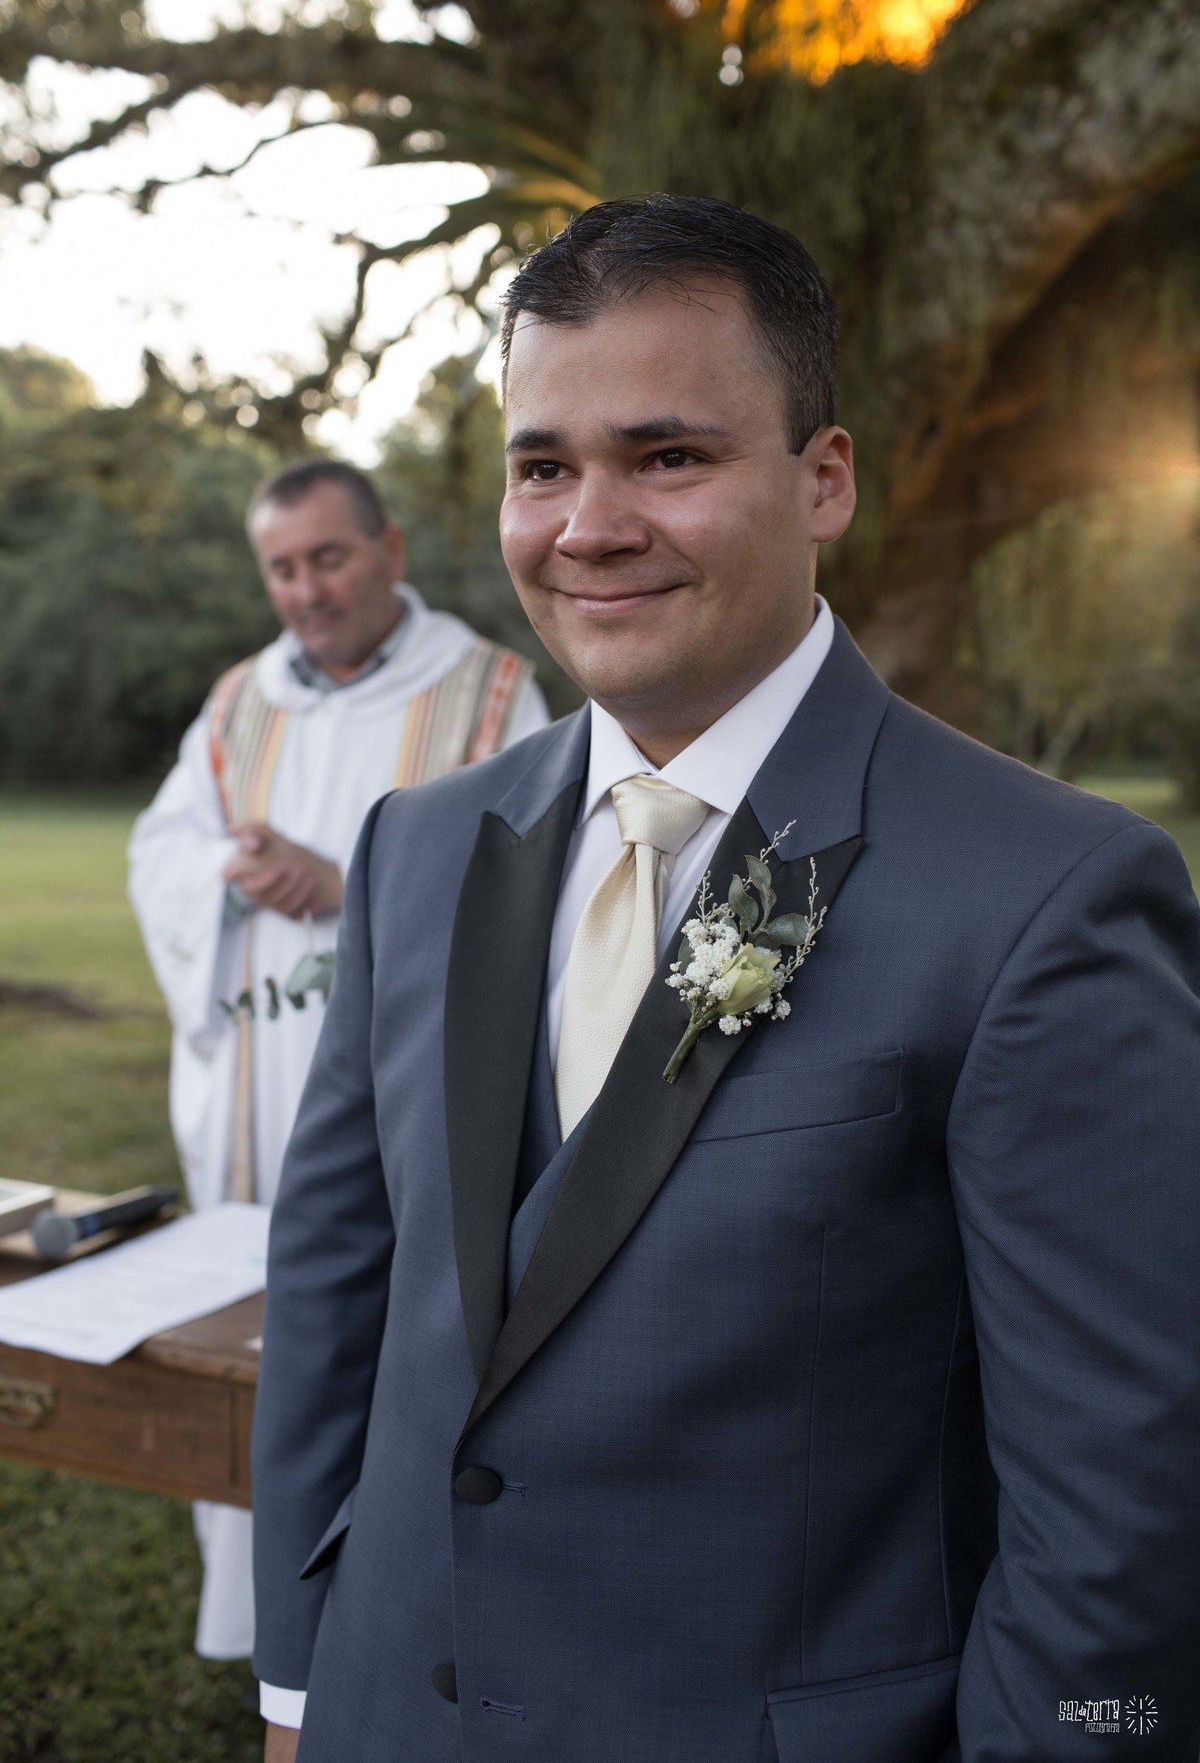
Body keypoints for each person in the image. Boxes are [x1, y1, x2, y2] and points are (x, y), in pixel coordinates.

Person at [250, 199, 1200, 1762]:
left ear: (825, 480)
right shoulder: (418, 850)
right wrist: (296, 1693)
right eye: (543, 466)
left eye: (668, 456)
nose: (588, 525)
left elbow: (1124, 1506)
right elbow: (338, 1300)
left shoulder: (1046, 898)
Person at [127, 457, 548, 1662]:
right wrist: (228, 870)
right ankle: (258, 1616)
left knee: (397, 1329)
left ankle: (401, 1621)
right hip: (259, 1078)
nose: (306, 591)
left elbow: (531, 872)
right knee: (249, 1331)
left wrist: (346, 882)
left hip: (410, 1090)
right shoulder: (238, 702)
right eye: (281, 568)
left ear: (390, 551)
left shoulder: (486, 690)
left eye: (328, 558)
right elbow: (160, 849)